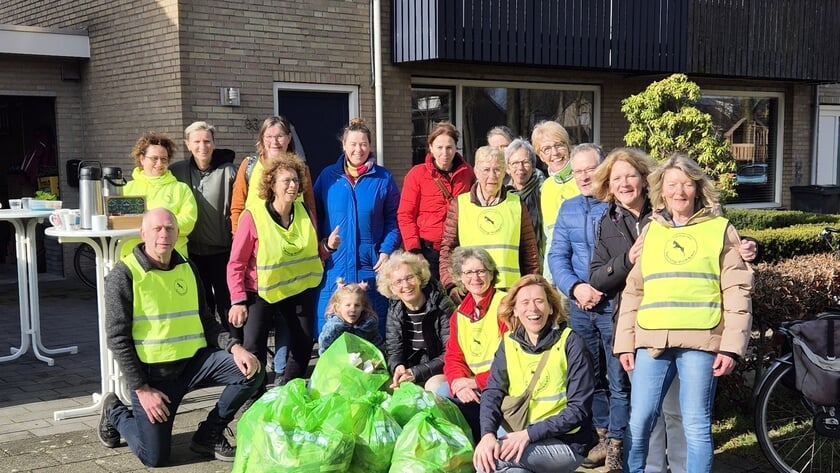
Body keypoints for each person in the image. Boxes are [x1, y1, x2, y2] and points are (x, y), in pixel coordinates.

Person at [589, 148, 758, 473]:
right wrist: (624, 343)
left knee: (695, 423)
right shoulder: (652, 230)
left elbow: (737, 291)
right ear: (661, 191)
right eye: (671, 184)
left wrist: (731, 348)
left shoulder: (720, 229)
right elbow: (634, 291)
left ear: (698, 187)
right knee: (639, 422)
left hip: (701, 341)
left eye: (686, 184)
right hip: (651, 341)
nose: (679, 191)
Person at [98, 208, 263, 467]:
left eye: (170, 228)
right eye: (157, 229)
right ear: (143, 233)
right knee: (154, 458)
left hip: (195, 364)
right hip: (154, 378)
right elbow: (117, 339)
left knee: (251, 370)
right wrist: (142, 390)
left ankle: (208, 434)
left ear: (177, 234)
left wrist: (235, 348)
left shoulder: (188, 267)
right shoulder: (124, 275)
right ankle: (115, 411)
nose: (164, 234)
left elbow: (207, 321)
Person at [547, 143, 628, 471]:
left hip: (614, 305)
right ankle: (600, 435)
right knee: (588, 375)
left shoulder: (617, 207)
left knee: (618, 376)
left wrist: (599, 286)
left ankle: (618, 444)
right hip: (580, 306)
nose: (582, 176)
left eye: (589, 169)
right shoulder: (567, 209)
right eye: (576, 170)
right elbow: (557, 256)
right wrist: (576, 287)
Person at [473, 274, 595, 473]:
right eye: (525, 302)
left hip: (566, 443)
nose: (533, 309)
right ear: (515, 309)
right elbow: (492, 391)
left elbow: (579, 410)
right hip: (519, 434)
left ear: (551, 307)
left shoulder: (571, 343)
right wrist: (487, 434)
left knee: (487, 462)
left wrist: (529, 434)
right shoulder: (508, 343)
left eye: (539, 301)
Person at [227, 154, 326, 391]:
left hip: (296, 288)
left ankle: (287, 391)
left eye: (295, 181)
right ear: (272, 184)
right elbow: (236, 263)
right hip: (260, 291)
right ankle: (253, 398)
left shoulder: (304, 211)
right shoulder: (252, 217)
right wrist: (238, 300)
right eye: (286, 181)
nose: (293, 186)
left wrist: (328, 247)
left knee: (303, 343)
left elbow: (312, 253)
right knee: (253, 348)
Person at [313, 118, 401, 337]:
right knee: (331, 332)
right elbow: (313, 217)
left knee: (372, 331)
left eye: (363, 144)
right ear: (343, 145)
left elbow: (394, 218)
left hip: (370, 268)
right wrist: (323, 246)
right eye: (352, 144)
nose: (358, 149)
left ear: (370, 146)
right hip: (336, 268)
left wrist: (386, 249)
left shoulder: (383, 178)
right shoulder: (328, 177)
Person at [439, 145, 540, 301]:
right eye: (486, 170)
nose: (492, 176)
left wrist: (530, 288)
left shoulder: (516, 204)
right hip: (471, 293)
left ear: (505, 171)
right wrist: (451, 285)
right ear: (476, 171)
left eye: (497, 169)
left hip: (509, 294)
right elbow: (447, 250)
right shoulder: (460, 204)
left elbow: (530, 253)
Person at [170, 121, 236, 331]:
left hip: (223, 252)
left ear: (214, 144)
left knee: (228, 305)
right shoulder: (176, 172)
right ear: (187, 144)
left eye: (207, 141)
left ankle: (236, 347)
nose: (202, 146)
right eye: (197, 141)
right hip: (192, 253)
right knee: (202, 305)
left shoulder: (229, 172)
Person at [440, 246, 508, 442]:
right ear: (460, 277)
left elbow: (514, 360)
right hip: (475, 389)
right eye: (468, 272)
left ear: (491, 273)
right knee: (443, 391)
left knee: (503, 453)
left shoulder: (504, 305)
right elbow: (453, 357)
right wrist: (459, 385)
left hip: (503, 390)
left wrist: (475, 382)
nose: (475, 278)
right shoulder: (459, 314)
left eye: (481, 271)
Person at [397, 122, 474, 281]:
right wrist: (414, 250)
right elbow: (405, 215)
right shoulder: (416, 175)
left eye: (449, 147)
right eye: (439, 147)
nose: (444, 153)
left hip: (457, 251)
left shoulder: (468, 173)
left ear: (456, 147)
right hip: (427, 252)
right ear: (431, 147)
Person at [377, 250, 454, 392]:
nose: (406, 285)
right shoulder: (395, 310)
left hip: (440, 371)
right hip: (410, 371)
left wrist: (415, 373)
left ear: (419, 278)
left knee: (433, 387)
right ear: (392, 288)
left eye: (409, 277)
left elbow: (450, 353)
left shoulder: (441, 305)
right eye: (398, 282)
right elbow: (394, 351)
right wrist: (398, 366)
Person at [229, 115, 315, 235]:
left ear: (289, 138)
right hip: (257, 239)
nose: (274, 142)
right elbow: (237, 206)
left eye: (279, 136)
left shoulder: (301, 169)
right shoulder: (249, 165)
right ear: (262, 139)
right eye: (269, 136)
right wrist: (238, 237)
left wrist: (313, 236)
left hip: (293, 239)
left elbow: (310, 208)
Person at [122, 132, 198, 258]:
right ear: (142, 159)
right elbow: (117, 221)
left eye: (164, 159)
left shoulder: (181, 189)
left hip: (172, 258)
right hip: (133, 258)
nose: (159, 163)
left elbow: (188, 222)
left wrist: (150, 226)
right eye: (154, 158)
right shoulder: (127, 190)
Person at [531, 121, 579, 284]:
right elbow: (548, 238)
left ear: (568, 146)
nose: (555, 153)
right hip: (556, 275)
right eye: (547, 149)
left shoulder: (584, 179)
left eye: (559, 145)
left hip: (583, 273)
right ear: (541, 156)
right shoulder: (546, 188)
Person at [503, 138, 546, 266]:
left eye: (525, 162)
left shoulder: (543, 190)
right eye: (515, 163)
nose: (520, 168)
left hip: (539, 261)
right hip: (512, 261)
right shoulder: (503, 196)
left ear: (533, 166)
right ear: (507, 169)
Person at [318, 281, 383, 354]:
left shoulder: (368, 326)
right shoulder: (333, 327)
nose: (353, 309)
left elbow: (377, 345)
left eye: (357, 305)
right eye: (348, 305)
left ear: (363, 307)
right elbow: (324, 348)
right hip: (338, 362)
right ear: (338, 307)